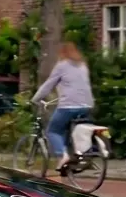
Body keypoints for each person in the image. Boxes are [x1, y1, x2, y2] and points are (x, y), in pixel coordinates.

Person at [30, 41, 95, 173]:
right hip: (87, 105)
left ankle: (63, 155)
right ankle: (77, 157)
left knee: (53, 131)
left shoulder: (62, 65)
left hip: (69, 105)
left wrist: (35, 99)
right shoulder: (83, 65)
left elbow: (49, 84)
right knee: (69, 129)